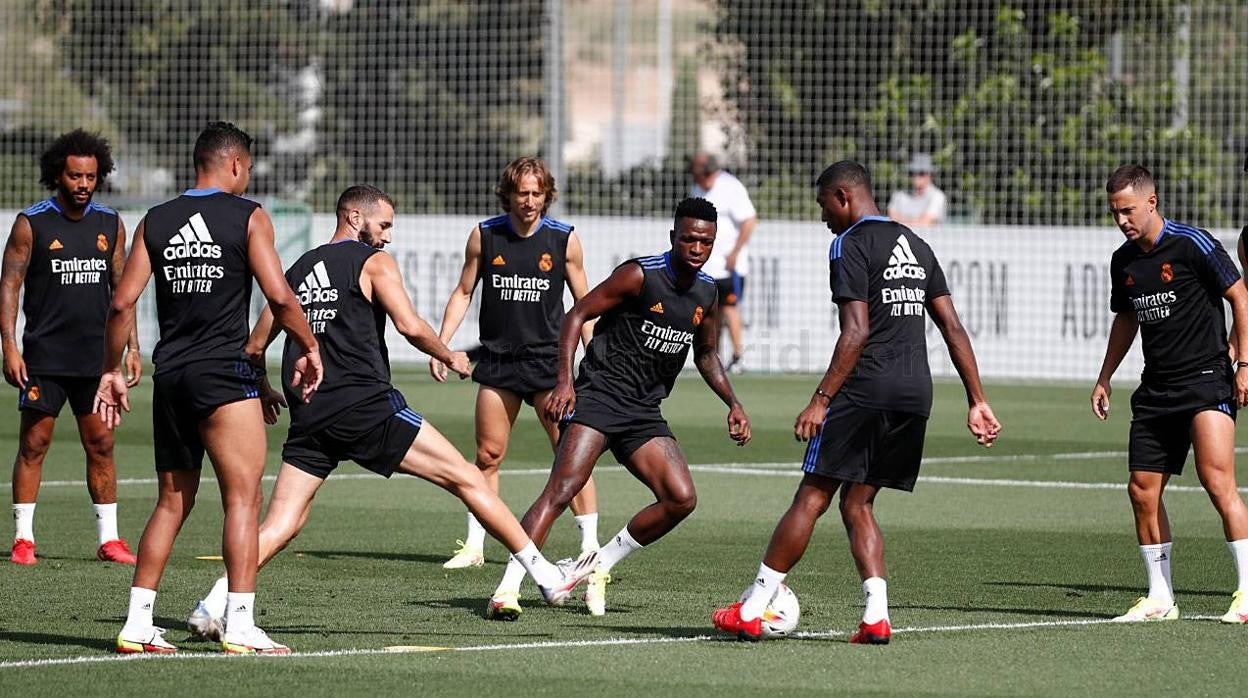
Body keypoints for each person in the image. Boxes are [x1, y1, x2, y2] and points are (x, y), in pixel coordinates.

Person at [186, 185, 598, 642]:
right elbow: (408, 325)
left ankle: (214, 601)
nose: (387, 237)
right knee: (466, 476)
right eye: (383, 225)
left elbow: (256, 342)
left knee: (284, 523)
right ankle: (546, 575)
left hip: (311, 413)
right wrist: (450, 355)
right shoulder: (373, 263)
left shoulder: (299, 268)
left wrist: (263, 387)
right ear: (356, 218)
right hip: (365, 406)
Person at [712, 161, 1000, 643]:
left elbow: (857, 331)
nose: (824, 217)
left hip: (867, 388)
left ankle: (753, 605)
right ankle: (876, 616)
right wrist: (977, 400)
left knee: (812, 496)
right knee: (859, 503)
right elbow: (952, 327)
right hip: (915, 394)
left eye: (824, 205)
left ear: (843, 197)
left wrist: (821, 399)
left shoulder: (850, 243)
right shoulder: (917, 244)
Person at [94, 122, 324, 655]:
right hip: (223, 373)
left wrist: (111, 367)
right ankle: (240, 624)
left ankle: (137, 622)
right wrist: (310, 346)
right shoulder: (247, 216)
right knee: (243, 499)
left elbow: (122, 302)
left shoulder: (156, 219)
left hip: (170, 374)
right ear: (237, 165)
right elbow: (282, 296)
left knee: (171, 502)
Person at [486, 196, 751, 620]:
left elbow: (706, 354)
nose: (697, 248)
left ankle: (596, 565)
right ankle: (507, 589)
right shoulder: (638, 275)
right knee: (562, 490)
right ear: (674, 237)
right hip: (600, 396)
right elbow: (575, 316)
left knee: (681, 499)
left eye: (705, 241)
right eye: (688, 240)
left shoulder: (708, 292)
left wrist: (733, 403)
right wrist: (565, 382)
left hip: (644, 411)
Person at [1092, 163, 1248, 624]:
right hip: (1157, 388)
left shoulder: (1193, 243)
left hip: (1206, 378)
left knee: (1217, 480)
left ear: (1151, 202)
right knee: (1141, 490)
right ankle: (1160, 597)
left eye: (1128, 210)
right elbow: (1125, 319)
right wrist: (1104, 377)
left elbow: (1240, 297)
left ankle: (1246, 591)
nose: (1122, 220)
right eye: (1115, 213)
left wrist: (1244, 365)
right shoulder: (1123, 261)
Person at [432, 157, 600, 573]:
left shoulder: (565, 240)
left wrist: (594, 358)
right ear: (507, 194)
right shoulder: (485, 235)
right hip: (499, 363)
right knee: (487, 455)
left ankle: (591, 548)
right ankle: (474, 546)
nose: (529, 202)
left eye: (536, 194)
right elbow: (463, 291)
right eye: (521, 193)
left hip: (550, 366)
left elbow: (586, 305)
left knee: (570, 455)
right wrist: (441, 346)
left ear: (547, 196)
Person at [2, 129, 142, 566]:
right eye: (75, 176)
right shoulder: (32, 223)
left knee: (101, 443)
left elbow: (124, 290)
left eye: (91, 177)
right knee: (34, 444)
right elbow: (10, 285)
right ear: (58, 175)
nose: (83, 184)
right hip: (44, 356)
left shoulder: (109, 224)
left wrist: (132, 347)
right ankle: (24, 538)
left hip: (96, 360)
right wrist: (8, 345)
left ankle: (109, 539)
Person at [689, 151, 758, 374]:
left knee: (730, 308)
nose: (697, 178)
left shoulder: (732, 187)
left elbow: (749, 220)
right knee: (710, 313)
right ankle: (712, 357)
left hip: (729, 266)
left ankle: (738, 357)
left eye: (700, 173)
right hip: (706, 268)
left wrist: (735, 252)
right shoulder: (697, 189)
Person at [887, 153, 947, 227]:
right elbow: (891, 221)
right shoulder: (899, 195)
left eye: (921, 173)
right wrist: (917, 220)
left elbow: (925, 223)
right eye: (912, 172)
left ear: (931, 175)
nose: (916, 176)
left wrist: (902, 219)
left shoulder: (937, 196)